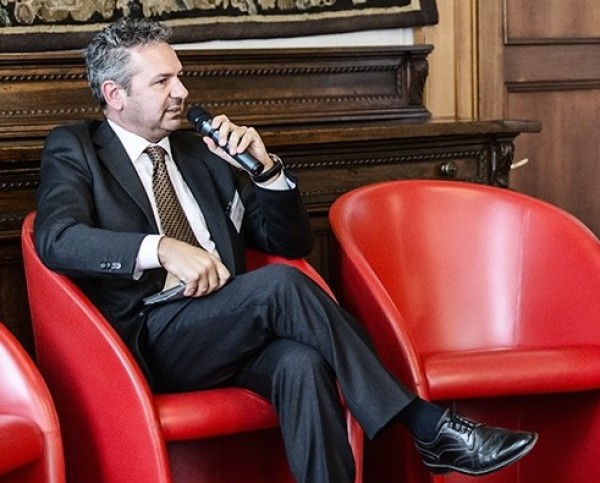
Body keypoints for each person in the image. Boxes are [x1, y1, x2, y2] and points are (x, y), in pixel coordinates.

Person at [34, 17, 537, 483]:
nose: (182, 92)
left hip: (232, 323)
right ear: (115, 94)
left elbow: (289, 243)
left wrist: (266, 171)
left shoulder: (200, 154)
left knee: (301, 364)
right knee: (279, 286)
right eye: (162, 81)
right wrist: (161, 248)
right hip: (152, 337)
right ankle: (425, 423)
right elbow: (56, 238)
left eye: (179, 77)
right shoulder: (77, 149)